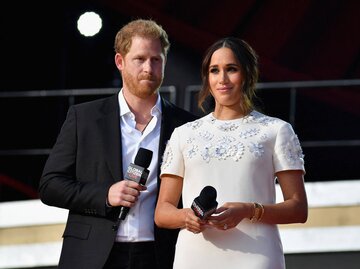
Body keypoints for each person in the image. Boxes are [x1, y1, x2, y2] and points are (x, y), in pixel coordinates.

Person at [38, 19, 197, 269]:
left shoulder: (187, 125)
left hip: (160, 255)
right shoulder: (85, 118)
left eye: (157, 60)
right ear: (120, 62)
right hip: (93, 255)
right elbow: (50, 185)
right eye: (140, 59)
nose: (149, 68)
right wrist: (105, 194)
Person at [154, 37, 308, 269]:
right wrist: (187, 217)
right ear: (207, 77)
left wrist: (248, 210)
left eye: (231, 69)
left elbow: (298, 208)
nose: (222, 79)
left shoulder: (276, 130)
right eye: (214, 71)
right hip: (194, 257)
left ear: (246, 74)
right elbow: (162, 212)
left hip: (256, 255)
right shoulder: (183, 135)